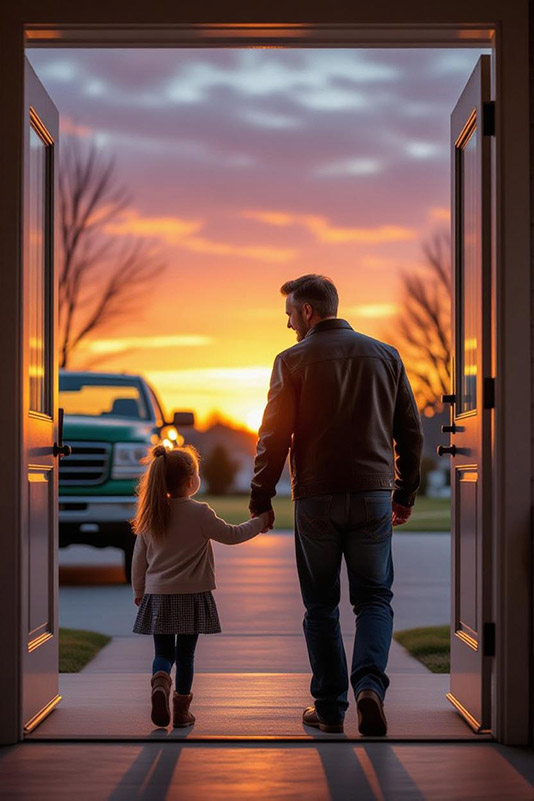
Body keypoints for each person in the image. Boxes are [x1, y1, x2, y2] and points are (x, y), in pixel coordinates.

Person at [249, 274, 423, 736]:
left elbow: (273, 437)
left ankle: (329, 708)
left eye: (289, 314)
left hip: (316, 500)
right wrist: (404, 493)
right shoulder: (387, 356)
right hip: (372, 496)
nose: (287, 325)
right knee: (374, 600)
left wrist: (260, 498)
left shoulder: (291, 360)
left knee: (321, 605)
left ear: (307, 311)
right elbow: (410, 432)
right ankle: (369, 688)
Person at [132, 444, 270, 729]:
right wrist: (259, 522)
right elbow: (232, 535)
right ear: (191, 481)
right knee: (185, 655)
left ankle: (160, 680)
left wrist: (139, 590)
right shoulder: (200, 512)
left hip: (159, 595)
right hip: (192, 595)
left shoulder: (152, 514)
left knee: (163, 653)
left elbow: (138, 559)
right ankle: (181, 712)